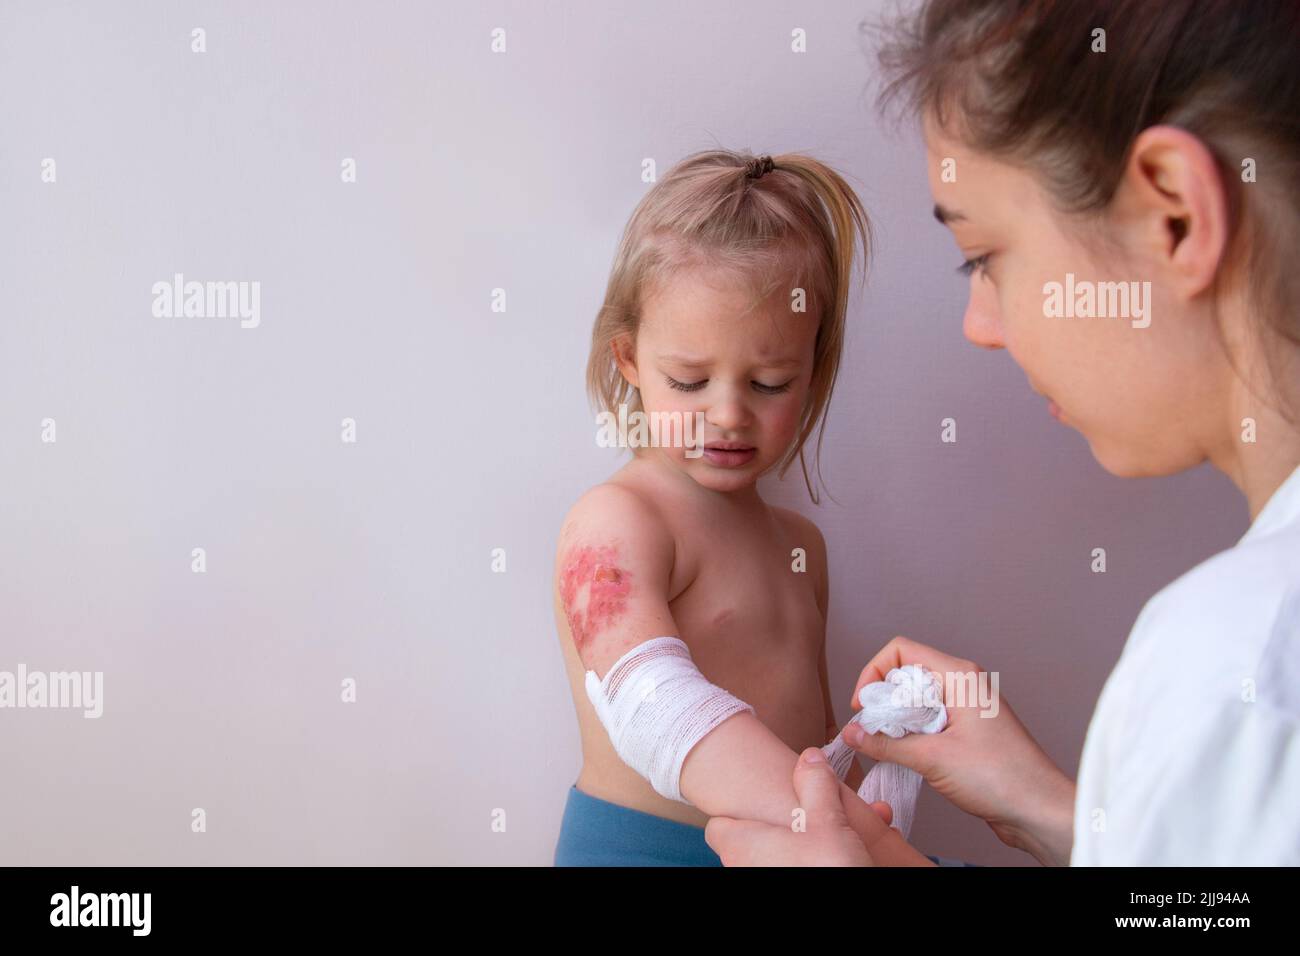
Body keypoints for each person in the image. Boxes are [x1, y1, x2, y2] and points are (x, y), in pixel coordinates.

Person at [706, 0, 1300, 866]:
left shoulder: (1239, 662)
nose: (979, 325)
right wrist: (1060, 814)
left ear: (1174, 214)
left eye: (982, 257)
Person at [551, 149, 911, 865]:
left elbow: (810, 757)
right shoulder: (619, 521)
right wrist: (875, 852)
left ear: (813, 372)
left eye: (771, 383)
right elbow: (650, 704)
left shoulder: (802, 543)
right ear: (628, 361)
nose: (728, 415)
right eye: (688, 381)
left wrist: (885, 768)